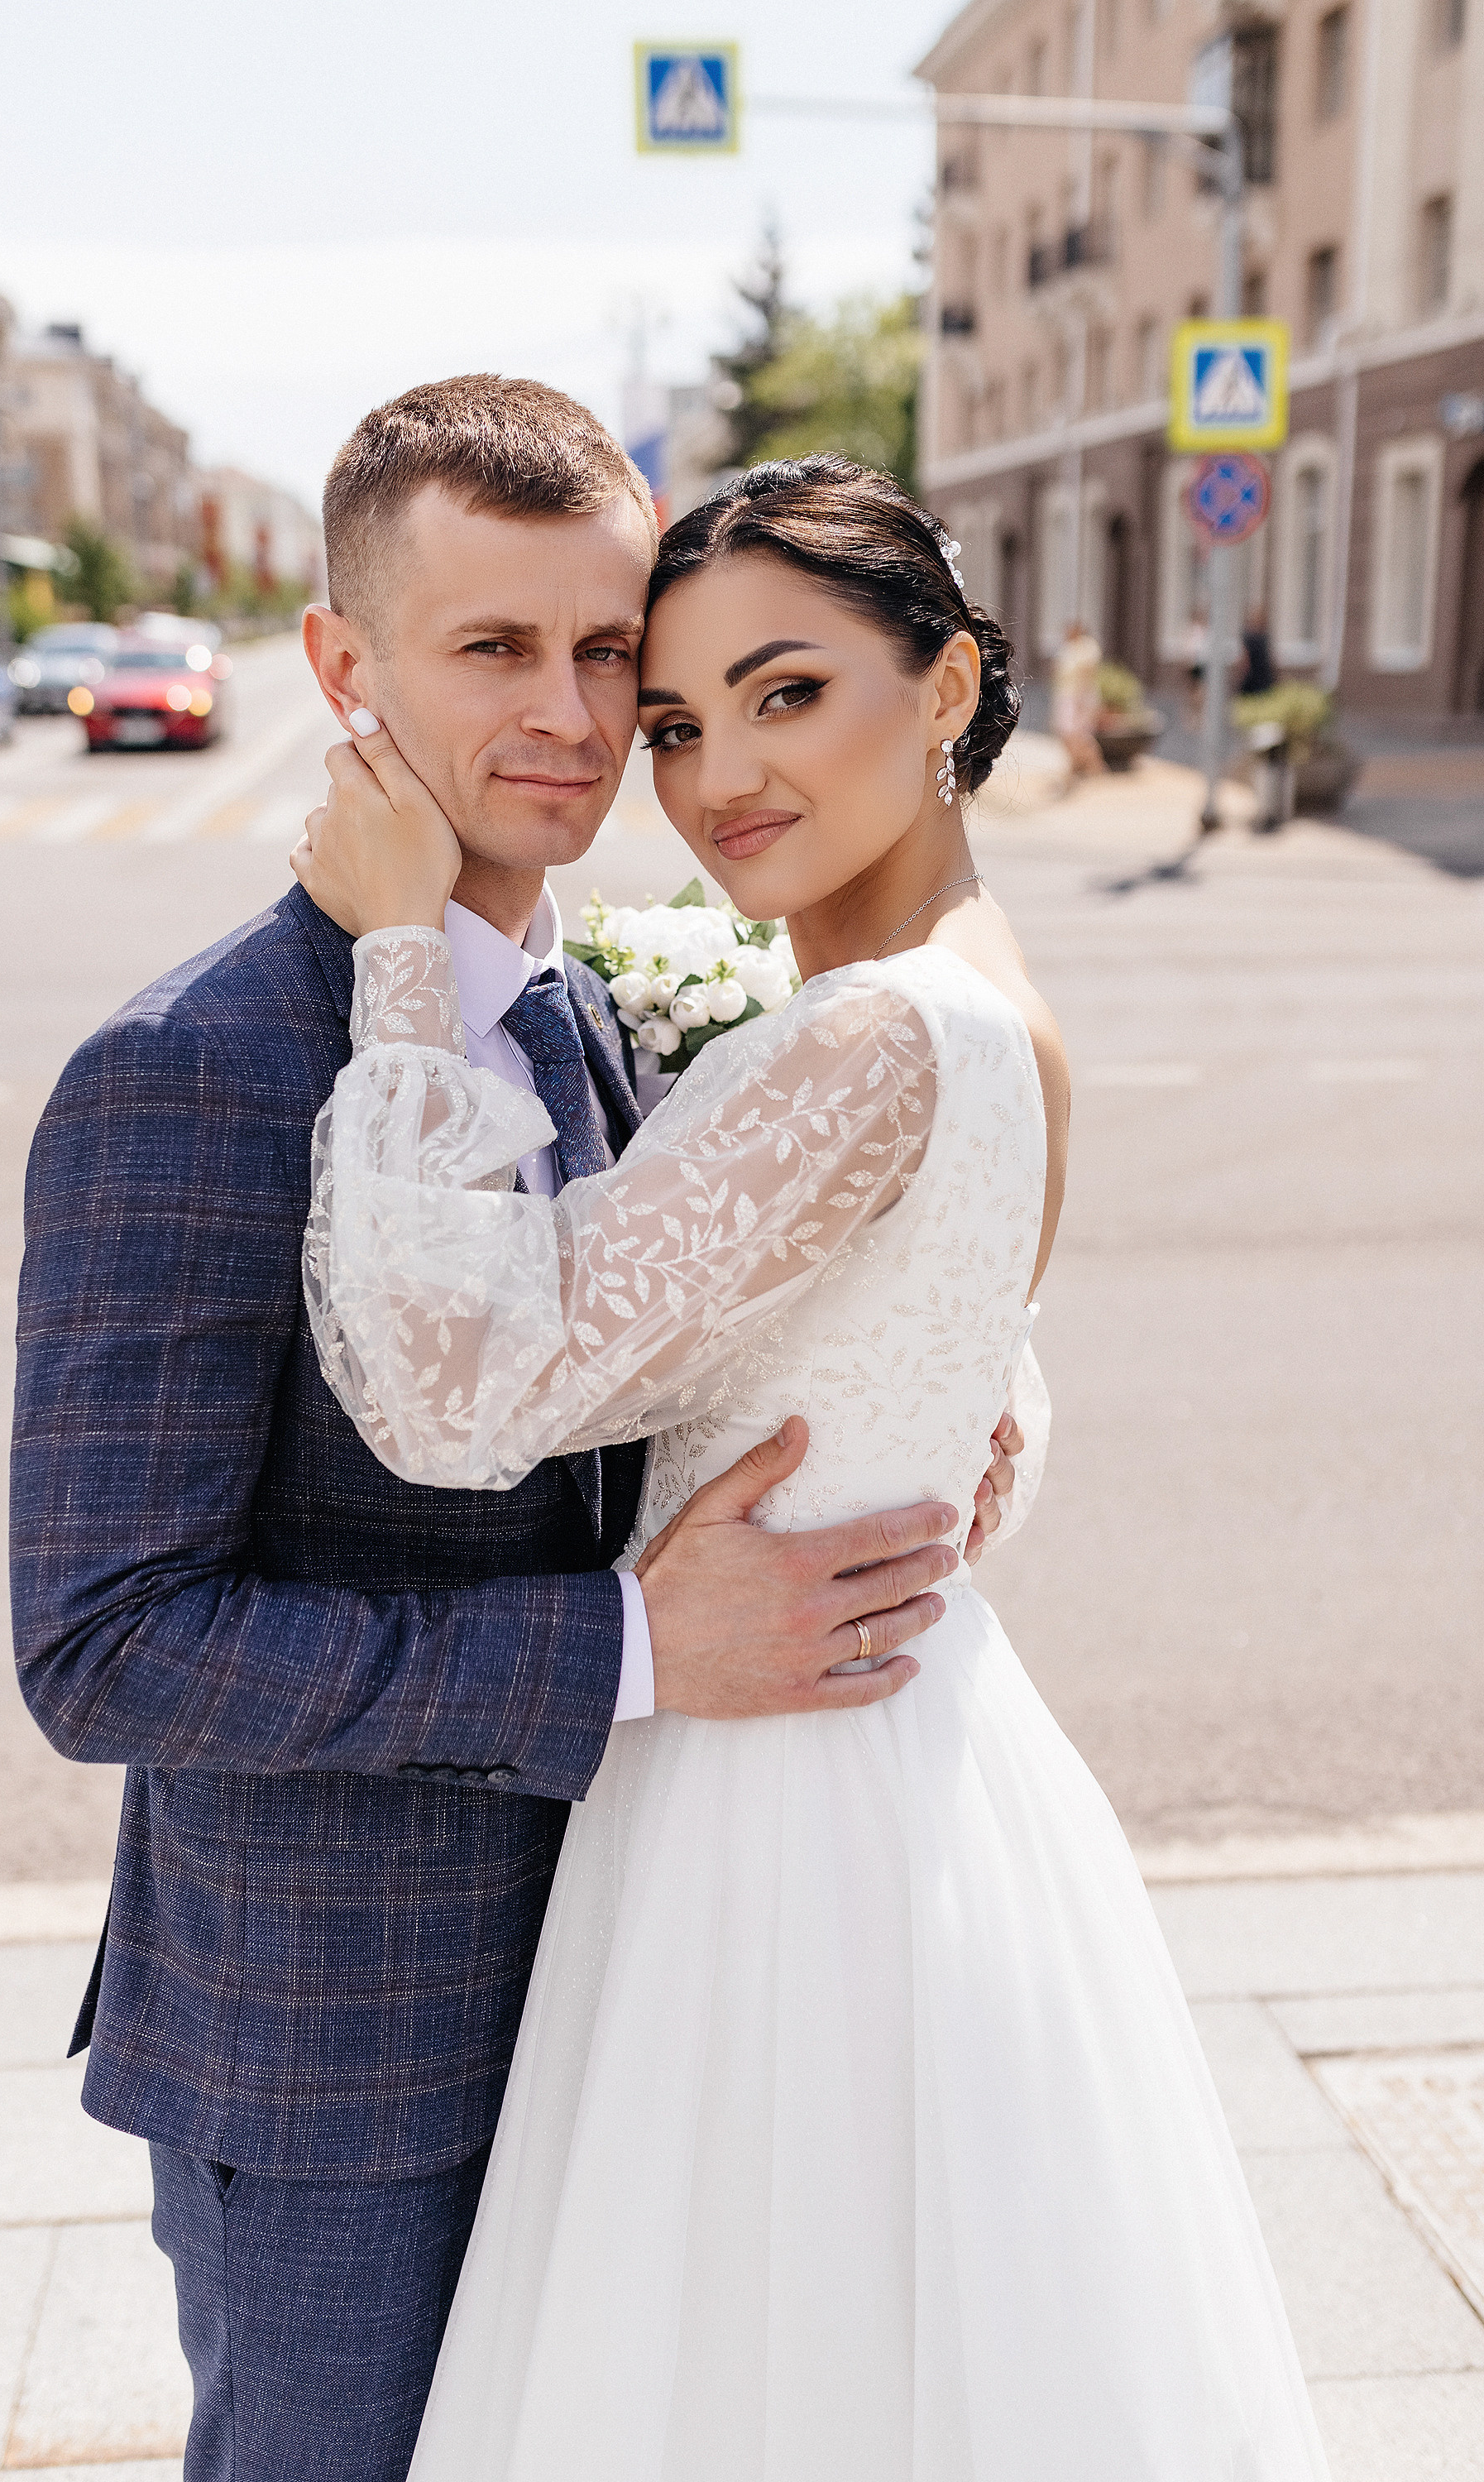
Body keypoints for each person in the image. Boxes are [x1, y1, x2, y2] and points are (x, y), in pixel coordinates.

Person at [10, 383, 1032, 2481]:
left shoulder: (617, 1012)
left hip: (653, 1985)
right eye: (493, 650)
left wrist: (946, 1396)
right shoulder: (191, 1070)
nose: (574, 717)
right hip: (338, 2070)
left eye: (611, 662)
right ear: (340, 665)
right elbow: (106, 1639)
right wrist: (642, 1652)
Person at [292, 455, 1331, 2479]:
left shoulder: (862, 1041)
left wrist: (396, 951)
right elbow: (988, 1414)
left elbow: (455, 1396)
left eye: (786, 694)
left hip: (780, 1806)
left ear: (941, 688)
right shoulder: (997, 1009)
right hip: (921, 1748)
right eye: (672, 722)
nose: (711, 778)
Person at [1050, 613, 1105, 774]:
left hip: (1080, 697)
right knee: (1066, 733)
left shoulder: (1088, 648)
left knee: (1080, 734)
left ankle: (1095, 766)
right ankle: (1077, 764)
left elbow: (1088, 675)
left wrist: (1083, 701)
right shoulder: (1067, 648)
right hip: (1065, 696)